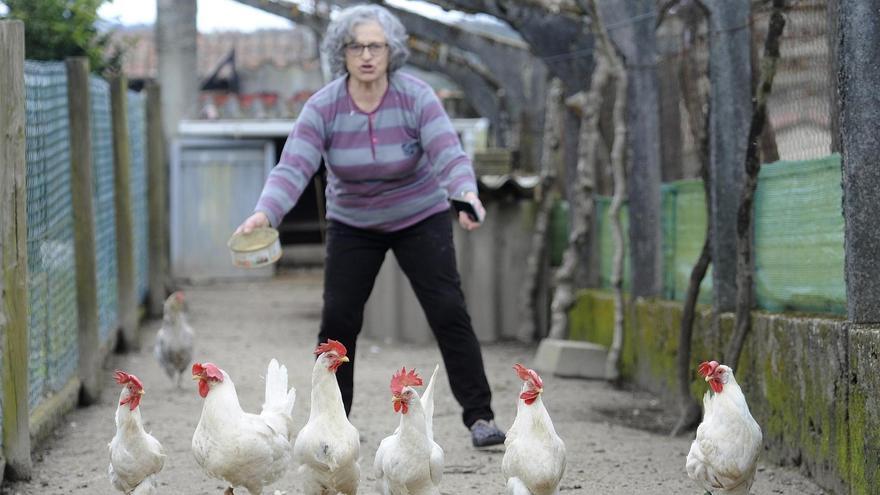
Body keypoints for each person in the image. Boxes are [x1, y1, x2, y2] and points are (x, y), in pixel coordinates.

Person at [234, 4, 505, 448]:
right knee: (339, 320)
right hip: (353, 222)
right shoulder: (324, 106)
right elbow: (293, 167)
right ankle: (331, 426)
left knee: (447, 309)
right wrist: (266, 213)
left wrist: (466, 192)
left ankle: (480, 417)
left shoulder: (415, 96)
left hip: (419, 215)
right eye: (355, 46)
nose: (365, 55)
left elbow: (447, 152)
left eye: (375, 46)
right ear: (340, 53)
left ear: (391, 50)